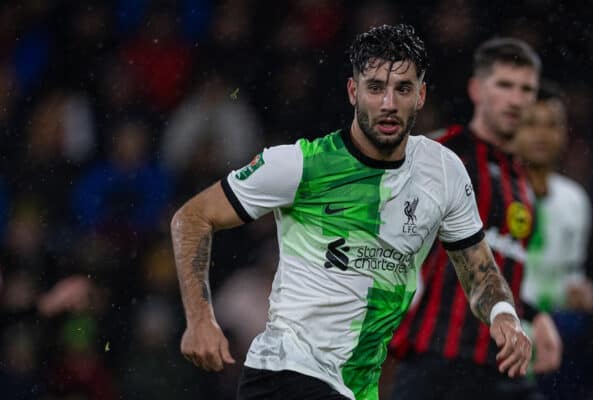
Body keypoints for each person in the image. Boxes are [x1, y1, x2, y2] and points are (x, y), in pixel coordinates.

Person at [170, 25, 532, 400]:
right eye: (375, 87)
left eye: (403, 88)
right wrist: (200, 318)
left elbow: (480, 271)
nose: (389, 103)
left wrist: (503, 313)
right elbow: (192, 217)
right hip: (285, 373)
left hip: (357, 387)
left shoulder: (444, 171)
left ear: (421, 95)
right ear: (353, 92)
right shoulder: (300, 164)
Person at [388, 38, 562, 399]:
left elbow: (495, 266)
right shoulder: (437, 153)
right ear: (476, 89)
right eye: (504, 85)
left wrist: (537, 316)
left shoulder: (522, 182)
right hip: (435, 362)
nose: (516, 99)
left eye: (526, 89)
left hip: (499, 366)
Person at [514, 84, 593, 399]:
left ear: (565, 133)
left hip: (558, 340)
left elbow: (571, 273)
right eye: (531, 123)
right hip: (505, 331)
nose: (542, 135)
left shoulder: (575, 200)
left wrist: (582, 290)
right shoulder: (493, 193)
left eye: (552, 124)